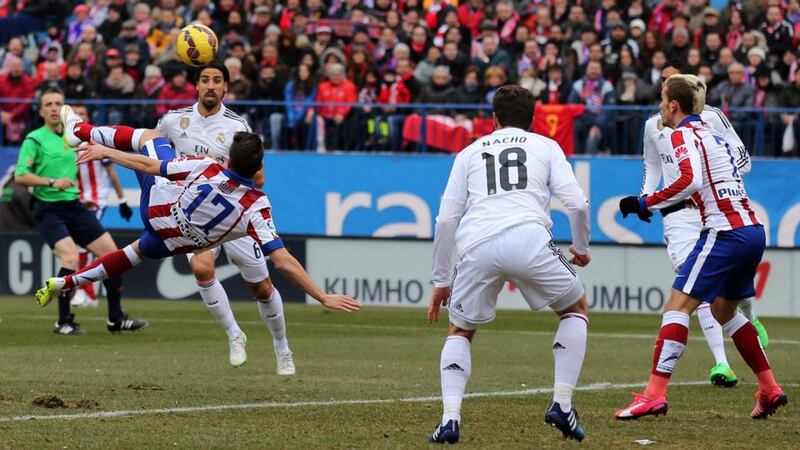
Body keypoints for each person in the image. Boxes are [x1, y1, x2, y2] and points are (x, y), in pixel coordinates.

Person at [36, 105, 360, 341]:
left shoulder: (207, 166)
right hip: (175, 242)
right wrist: (322, 296)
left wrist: (105, 151)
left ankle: (79, 131)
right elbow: (284, 261)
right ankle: (67, 283)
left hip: (159, 213)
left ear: (228, 159)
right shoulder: (256, 205)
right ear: (258, 168)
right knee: (131, 255)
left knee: (150, 138)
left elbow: (148, 164)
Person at [427, 85, 591, 443]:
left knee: (461, 331)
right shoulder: (546, 146)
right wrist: (580, 247)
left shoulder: (469, 153)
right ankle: (562, 403)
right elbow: (577, 204)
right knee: (574, 308)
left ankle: (450, 419)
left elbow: (445, 221)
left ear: (493, 119)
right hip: (529, 238)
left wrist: (441, 279)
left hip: (477, 245)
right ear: (532, 120)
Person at [616, 74, 786, 420]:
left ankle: (653, 394)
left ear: (674, 104)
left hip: (724, 233)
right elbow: (724, 174)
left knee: (676, 307)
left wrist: (646, 202)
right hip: (752, 230)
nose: (660, 106)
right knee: (725, 313)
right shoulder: (712, 133)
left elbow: (689, 180)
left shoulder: (681, 133)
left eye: (663, 99)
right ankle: (770, 389)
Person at [155, 61, 297, 374]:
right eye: (204, 79)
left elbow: (259, 178)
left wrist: (217, 171)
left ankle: (282, 347)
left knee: (261, 288)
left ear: (225, 88)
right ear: (196, 85)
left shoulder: (237, 126)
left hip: (235, 212)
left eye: (216, 80)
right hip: (200, 214)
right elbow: (152, 148)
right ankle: (234, 333)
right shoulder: (172, 121)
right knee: (201, 267)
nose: (210, 85)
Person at [640, 64, 770, 389]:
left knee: (689, 299)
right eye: (663, 83)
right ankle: (723, 364)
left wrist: (721, 182)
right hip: (679, 215)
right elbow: (652, 165)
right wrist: (647, 196)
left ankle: (655, 392)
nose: (664, 90)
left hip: (715, 212)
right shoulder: (653, 126)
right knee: (694, 288)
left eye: (671, 83)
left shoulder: (708, 121)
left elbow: (741, 159)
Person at [14, 88, 146, 335]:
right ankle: (63, 321)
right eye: (49, 104)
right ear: (41, 111)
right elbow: (21, 176)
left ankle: (115, 319)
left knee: (113, 256)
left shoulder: (71, 137)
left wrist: (83, 198)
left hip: (74, 205)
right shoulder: (34, 139)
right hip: (48, 209)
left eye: (58, 103)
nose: (54, 108)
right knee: (71, 259)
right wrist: (51, 182)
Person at [70, 103, 134, 308]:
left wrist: (122, 200)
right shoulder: (67, 143)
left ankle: (85, 292)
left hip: (95, 200)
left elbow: (111, 172)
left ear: (88, 117)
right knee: (81, 246)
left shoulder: (94, 140)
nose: (79, 117)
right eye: (76, 114)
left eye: (82, 114)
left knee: (83, 245)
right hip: (76, 201)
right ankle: (89, 293)